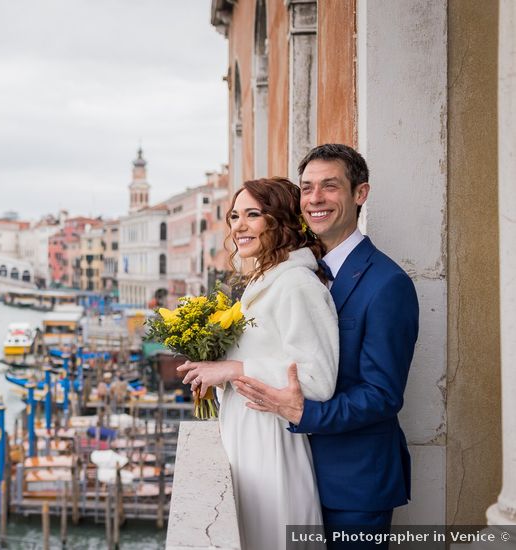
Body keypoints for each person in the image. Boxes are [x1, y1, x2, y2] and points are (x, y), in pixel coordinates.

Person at [234, 144, 419, 549]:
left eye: (330, 187)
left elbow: (382, 395)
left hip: (351, 486)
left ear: (360, 194)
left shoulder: (388, 285)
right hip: (287, 472)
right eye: (307, 188)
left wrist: (304, 411)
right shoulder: (290, 271)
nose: (315, 199)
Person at [176, 177, 337, 550]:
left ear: (279, 221)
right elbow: (266, 354)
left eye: (253, 214)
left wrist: (233, 370)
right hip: (248, 442)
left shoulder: (297, 284)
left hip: (272, 448)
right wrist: (214, 369)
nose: (239, 226)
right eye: (234, 216)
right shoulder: (264, 281)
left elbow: (318, 380)